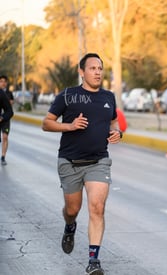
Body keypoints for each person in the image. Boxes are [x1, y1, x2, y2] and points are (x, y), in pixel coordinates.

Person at [42, 53, 122, 275]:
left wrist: (117, 132)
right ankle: (70, 226)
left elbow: (113, 121)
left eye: (100, 68)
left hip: (98, 161)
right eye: (92, 68)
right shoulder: (67, 96)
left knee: (97, 208)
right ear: (82, 71)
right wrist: (70, 126)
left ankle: (93, 261)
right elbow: (46, 123)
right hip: (70, 162)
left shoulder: (108, 97)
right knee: (72, 209)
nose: (97, 72)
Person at [0, 75, 14, 165]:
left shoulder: (7, 93)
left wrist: (2, 117)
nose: (3, 83)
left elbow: (10, 109)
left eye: (4, 81)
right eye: (1, 81)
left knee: (5, 137)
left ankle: (3, 157)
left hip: (5, 118)